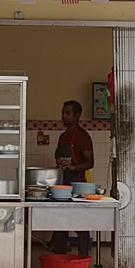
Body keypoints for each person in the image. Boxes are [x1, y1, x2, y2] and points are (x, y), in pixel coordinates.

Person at [52, 100, 94, 256]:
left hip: (78, 187)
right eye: (63, 113)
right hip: (62, 187)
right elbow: (58, 155)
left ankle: (83, 257)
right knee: (60, 224)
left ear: (77, 115)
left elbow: (90, 162)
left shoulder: (83, 137)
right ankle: (59, 258)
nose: (64, 116)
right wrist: (58, 160)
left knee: (80, 225)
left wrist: (72, 167)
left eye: (67, 113)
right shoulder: (63, 136)